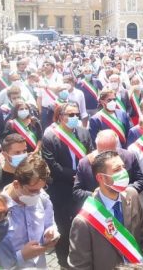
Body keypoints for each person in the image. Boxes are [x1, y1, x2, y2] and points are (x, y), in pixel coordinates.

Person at [68, 151, 143, 269]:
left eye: (123, 167)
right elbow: (79, 266)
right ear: (101, 178)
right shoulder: (84, 220)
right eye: (117, 169)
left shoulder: (132, 195)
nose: (123, 172)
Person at [41, 102, 93, 268]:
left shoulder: (84, 132)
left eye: (76, 114)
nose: (74, 117)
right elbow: (52, 165)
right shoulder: (50, 136)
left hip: (82, 188)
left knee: (85, 225)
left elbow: (91, 157)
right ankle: (64, 262)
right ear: (60, 117)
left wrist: (81, 178)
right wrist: (75, 175)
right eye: (70, 115)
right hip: (61, 190)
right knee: (63, 228)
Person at [1, 154, 59, 269]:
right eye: (33, 190)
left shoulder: (42, 198)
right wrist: (22, 256)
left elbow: (49, 223)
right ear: (16, 184)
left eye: (41, 188)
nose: (37, 194)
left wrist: (50, 233)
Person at [73, 129, 143, 205]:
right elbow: (77, 191)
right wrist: (95, 195)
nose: (105, 155)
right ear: (96, 146)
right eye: (101, 151)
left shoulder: (129, 157)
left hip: (126, 206)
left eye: (110, 151)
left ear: (116, 146)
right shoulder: (85, 163)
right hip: (99, 210)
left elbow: (140, 181)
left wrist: (125, 191)